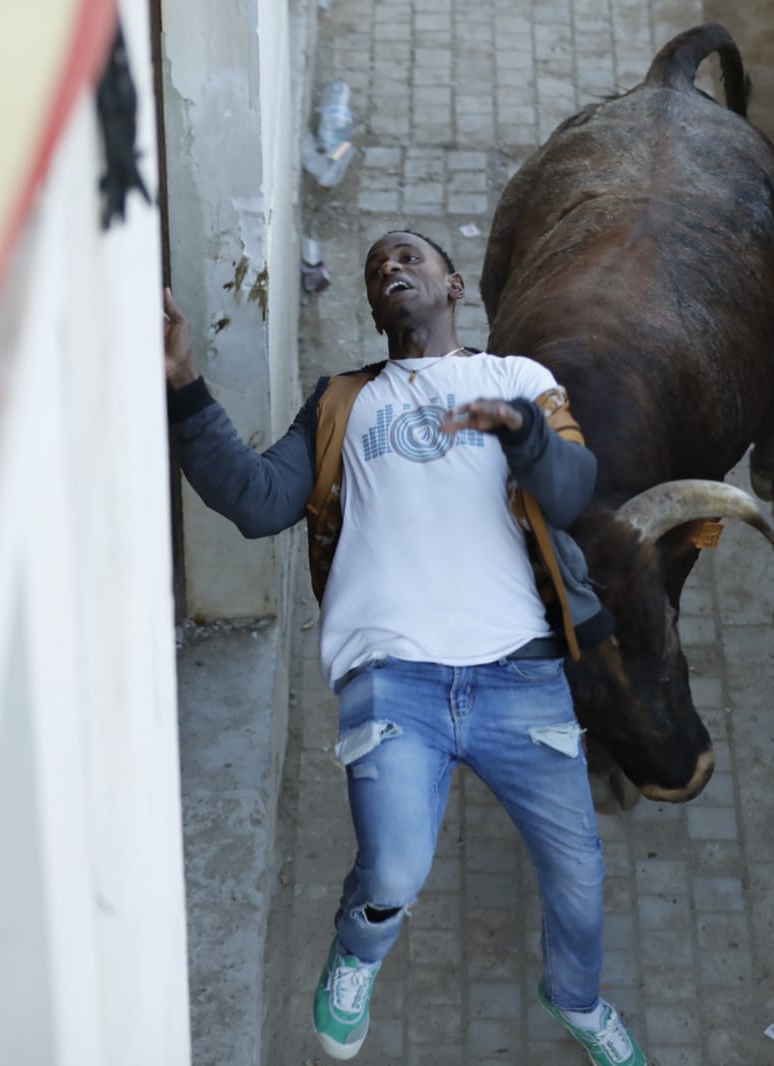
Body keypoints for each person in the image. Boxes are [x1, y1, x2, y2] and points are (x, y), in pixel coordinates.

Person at [164, 230, 645, 1065]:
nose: (390, 266)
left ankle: (575, 997)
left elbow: (569, 493)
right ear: (374, 303)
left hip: (519, 677)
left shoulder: (515, 380)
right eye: (376, 263)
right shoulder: (344, 403)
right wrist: (180, 384)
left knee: (580, 879)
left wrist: (522, 431)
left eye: (409, 257)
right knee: (391, 872)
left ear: (454, 285)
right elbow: (255, 502)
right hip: (393, 678)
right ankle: (357, 950)